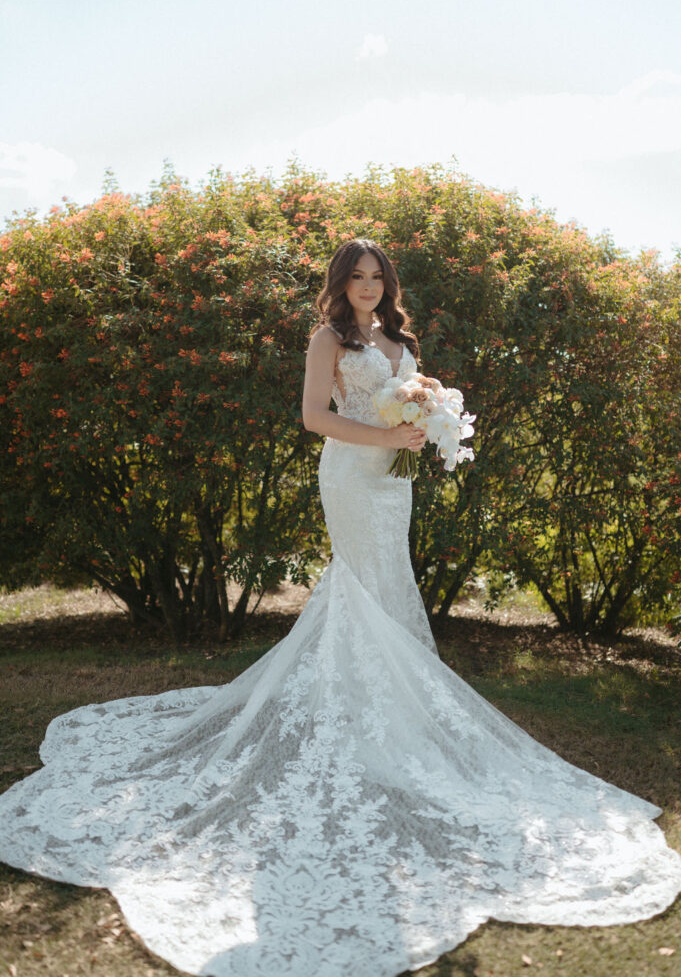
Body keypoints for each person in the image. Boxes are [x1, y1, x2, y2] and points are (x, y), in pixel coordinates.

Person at [0, 238, 680, 977]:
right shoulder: (329, 338)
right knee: (363, 586)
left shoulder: (401, 339)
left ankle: (385, 709)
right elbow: (313, 417)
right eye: (354, 277)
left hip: (394, 479)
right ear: (340, 284)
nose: (365, 285)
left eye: (375, 276)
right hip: (352, 473)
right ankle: (356, 715)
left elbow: (410, 397)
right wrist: (386, 433)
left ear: (387, 283)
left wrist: (427, 425)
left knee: (390, 586)